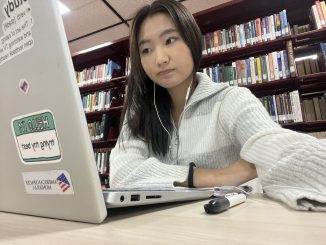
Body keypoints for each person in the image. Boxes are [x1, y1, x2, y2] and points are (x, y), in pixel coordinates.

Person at [110, 0, 326, 211]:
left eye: (170, 40)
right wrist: (220, 176)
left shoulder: (231, 100)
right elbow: (121, 176)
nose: (160, 59)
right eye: (146, 50)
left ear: (192, 40)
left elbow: (286, 153)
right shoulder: (139, 114)